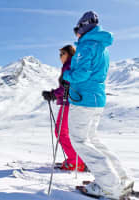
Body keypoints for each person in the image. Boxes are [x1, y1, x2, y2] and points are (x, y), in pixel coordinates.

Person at [62, 11, 134, 199]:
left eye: (76, 29)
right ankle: (121, 179)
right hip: (95, 98)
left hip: (83, 98)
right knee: (93, 140)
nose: (75, 33)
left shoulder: (86, 46)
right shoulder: (102, 46)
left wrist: (67, 75)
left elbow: (80, 75)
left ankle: (109, 186)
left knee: (80, 141)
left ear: (83, 27)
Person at [42, 45, 86, 172]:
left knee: (61, 132)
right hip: (72, 102)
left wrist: (53, 94)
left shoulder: (69, 65)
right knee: (65, 132)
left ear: (69, 54)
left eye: (62, 54)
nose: (60, 57)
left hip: (69, 103)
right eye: (60, 54)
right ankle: (77, 160)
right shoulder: (72, 65)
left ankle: (75, 161)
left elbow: (67, 86)